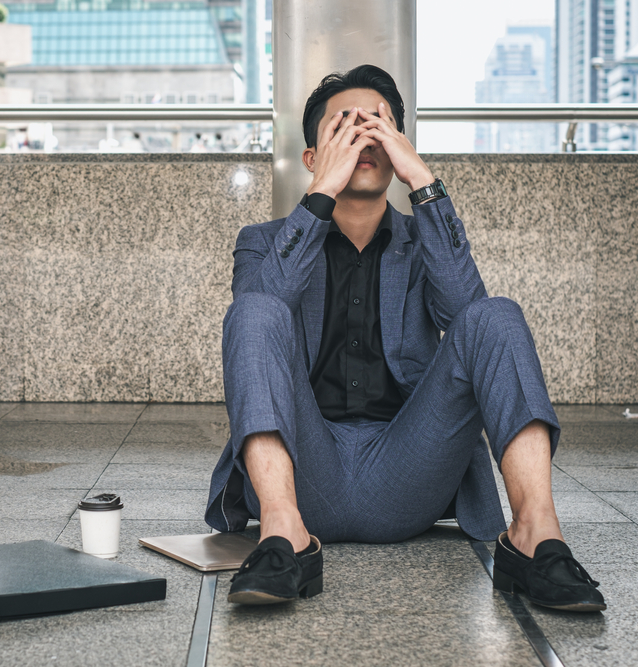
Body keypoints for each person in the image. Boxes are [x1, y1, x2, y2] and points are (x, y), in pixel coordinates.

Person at [205, 65, 606, 612]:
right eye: (345, 127)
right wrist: (323, 189)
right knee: (253, 309)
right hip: (303, 471)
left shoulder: (423, 238)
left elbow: (472, 321)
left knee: (497, 314)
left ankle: (537, 535)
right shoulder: (263, 242)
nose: (364, 139)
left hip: (408, 467)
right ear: (311, 156)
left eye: (378, 126)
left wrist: (423, 183)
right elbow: (261, 318)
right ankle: (283, 539)